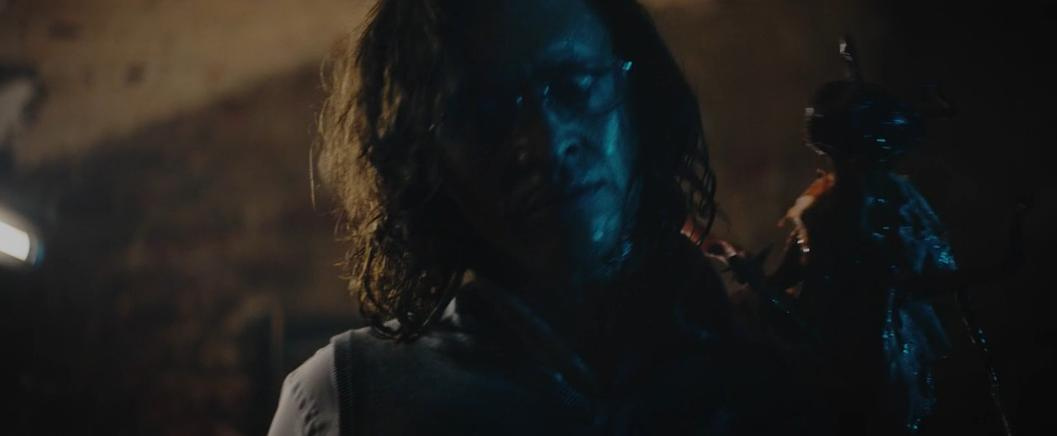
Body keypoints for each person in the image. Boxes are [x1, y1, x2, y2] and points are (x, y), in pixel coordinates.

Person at [269, 0, 814, 434]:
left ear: (637, 93)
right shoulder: (350, 400)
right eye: (483, 114)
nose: (546, 143)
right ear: (427, 162)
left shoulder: (770, 354)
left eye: (574, 86)